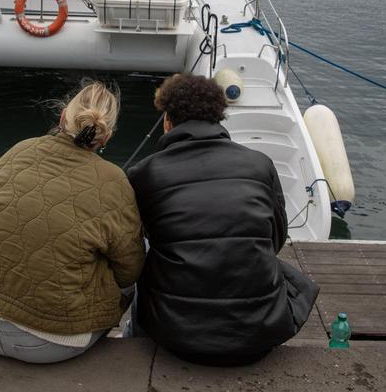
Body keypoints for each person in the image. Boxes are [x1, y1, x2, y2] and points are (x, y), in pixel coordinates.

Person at [127, 73, 319, 366]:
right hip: (260, 334)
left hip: (175, 335)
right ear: (219, 118)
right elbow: (275, 240)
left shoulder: (144, 173)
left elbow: (132, 247)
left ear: (167, 120)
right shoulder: (260, 164)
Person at [0, 81, 145, 364]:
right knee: (129, 262)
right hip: (51, 342)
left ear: (62, 117)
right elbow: (130, 269)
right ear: (106, 137)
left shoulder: (19, 150)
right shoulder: (114, 180)